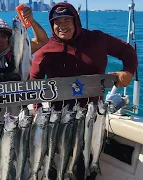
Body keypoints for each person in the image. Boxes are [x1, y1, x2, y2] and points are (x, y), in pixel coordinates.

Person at [29, 2, 138, 179]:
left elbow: (127, 50)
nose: (62, 26)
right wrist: (36, 109)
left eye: (67, 20)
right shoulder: (45, 50)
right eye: (57, 22)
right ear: (52, 25)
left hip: (93, 115)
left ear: (76, 21)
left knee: (85, 164)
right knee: (57, 163)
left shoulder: (97, 39)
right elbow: (33, 82)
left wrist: (128, 71)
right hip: (59, 118)